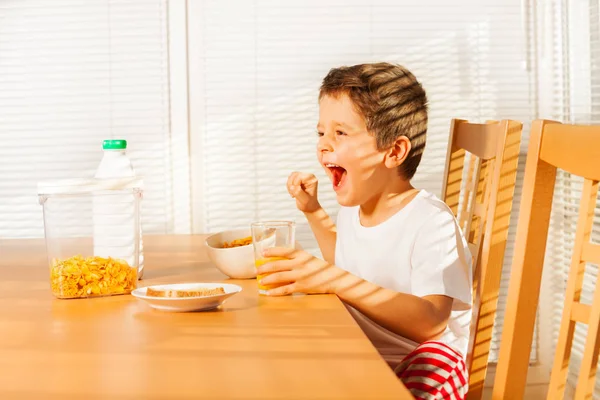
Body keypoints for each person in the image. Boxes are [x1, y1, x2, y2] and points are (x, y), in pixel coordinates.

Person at [256, 62, 472, 397]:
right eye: (321, 133)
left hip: (418, 368)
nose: (324, 145)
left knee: (439, 359)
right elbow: (346, 262)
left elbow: (431, 322)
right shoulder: (354, 209)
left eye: (340, 133)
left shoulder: (431, 221)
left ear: (394, 151)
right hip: (363, 359)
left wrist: (329, 279)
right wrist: (313, 211)